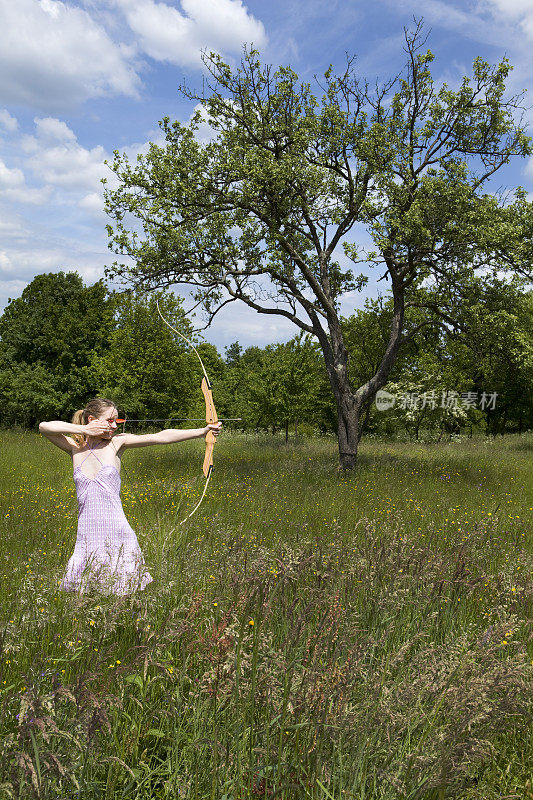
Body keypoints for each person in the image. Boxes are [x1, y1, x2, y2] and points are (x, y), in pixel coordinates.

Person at [39, 398, 222, 597]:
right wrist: (86, 430)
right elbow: (44, 427)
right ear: (92, 419)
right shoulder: (75, 447)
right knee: (83, 596)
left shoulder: (117, 443)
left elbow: (160, 437)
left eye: (116, 421)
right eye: (109, 420)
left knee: (123, 596)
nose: (114, 426)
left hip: (117, 532)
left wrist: (202, 431)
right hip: (86, 536)